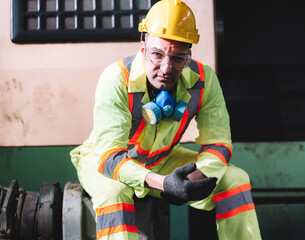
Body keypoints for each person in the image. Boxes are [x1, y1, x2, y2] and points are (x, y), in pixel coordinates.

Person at [70, 0, 261, 239]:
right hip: (104, 162)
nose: (166, 68)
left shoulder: (204, 81)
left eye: (179, 58)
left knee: (235, 180)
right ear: (142, 47)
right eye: (157, 54)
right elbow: (110, 156)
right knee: (115, 193)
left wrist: (198, 175)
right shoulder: (116, 79)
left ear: (189, 55)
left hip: (161, 161)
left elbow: (218, 143)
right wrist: (163, 183)